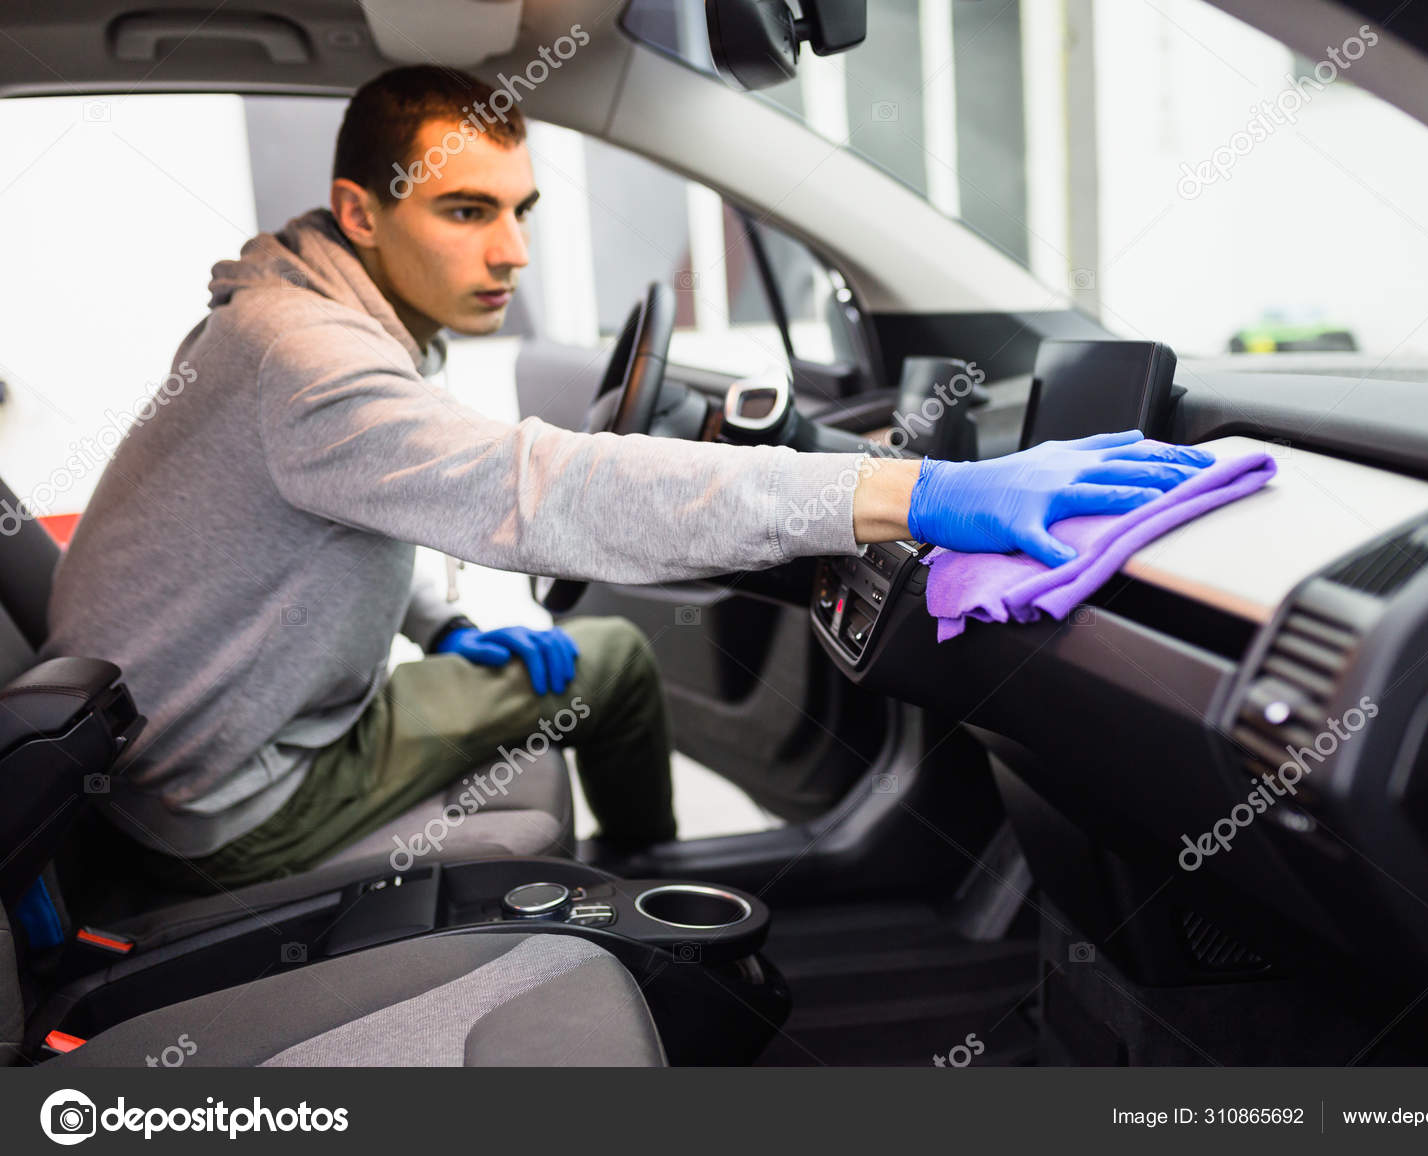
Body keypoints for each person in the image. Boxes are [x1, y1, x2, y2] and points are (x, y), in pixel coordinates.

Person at [42, 66, 1212, 891]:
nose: (511, 251)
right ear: (360, 209)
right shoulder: (310, 362)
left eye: (521, 212)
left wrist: (443, 624)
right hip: (228, 801)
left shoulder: (275, 318)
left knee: (577, 663)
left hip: (177, 756)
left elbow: (302, 521)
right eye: (464, 211)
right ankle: (648, 903)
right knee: (607, 661)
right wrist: (911, 494)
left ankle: (630, 878)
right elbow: (543, 489)